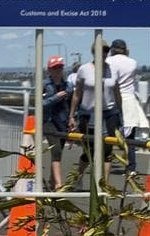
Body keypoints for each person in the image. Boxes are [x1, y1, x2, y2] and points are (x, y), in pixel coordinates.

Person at [68, 44, 123, 182]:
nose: (103, 54)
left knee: (107, 150)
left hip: (109, 113)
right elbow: (77, 94)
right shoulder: (84, 69)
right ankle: (78, 178)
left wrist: (121, 114)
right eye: (100, 51)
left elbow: (117, 93)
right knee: (90, 150)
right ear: (93, 52)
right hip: (88, 113)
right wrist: (71, 116)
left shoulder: (113, 70)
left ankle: (104, 185)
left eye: (106, 51)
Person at [106, 39, 148, 174]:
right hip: (129, 101)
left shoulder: (108, 61)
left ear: (112, 49)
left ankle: (104, 163)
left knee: (108, 136)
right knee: (130, 139)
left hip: (111, 100)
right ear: (125, 50)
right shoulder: (132, 62)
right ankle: (131, 167)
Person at [43, 55, 72, 190]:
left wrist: (72, 119)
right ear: (49, 70)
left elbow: (72, 104)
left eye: (60, 67)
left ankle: (52, 180)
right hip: (48, 121)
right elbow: (39, 104)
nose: (58, 70)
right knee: (56, 150)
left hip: (62, 122)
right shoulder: (44, 85)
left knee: (58, 152)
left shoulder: (68, 86)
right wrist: (55, 97)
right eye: (55, 68)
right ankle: (59, 185)